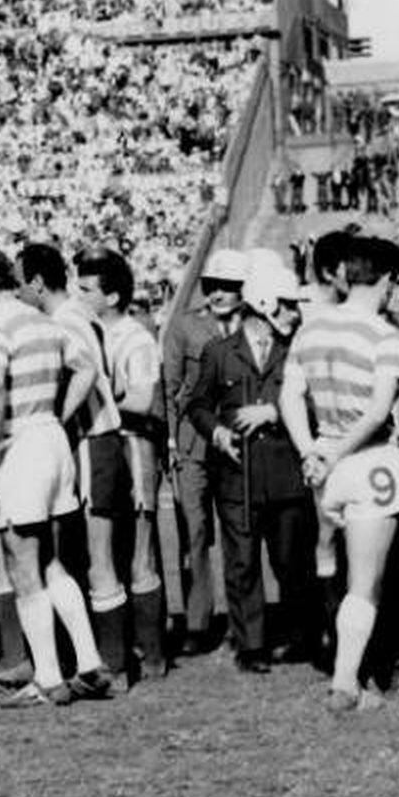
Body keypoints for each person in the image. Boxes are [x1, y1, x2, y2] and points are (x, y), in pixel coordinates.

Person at [0, 246, 113, 707]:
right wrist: (57, 416)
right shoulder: (45, 322)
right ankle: (87, 663)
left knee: (22, 563)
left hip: (22, 445)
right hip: (51, 439)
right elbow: (86, 368)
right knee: (51, 561)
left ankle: (48, 678)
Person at [280, 236, 399, 711]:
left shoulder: (310, 330)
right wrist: (334, 454)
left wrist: (311, 450)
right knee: (367, 582)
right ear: (386, 279)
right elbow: (378, 411)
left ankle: (342, 664)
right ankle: (346, 682)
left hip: (326, 457)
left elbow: (289, 398)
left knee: (333, 565)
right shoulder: (386, 335)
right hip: (368, 458)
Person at [189, 255, 313, 674]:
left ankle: (301, 635)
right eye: (286, 304)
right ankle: (253, 645)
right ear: (262, 303)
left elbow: (312, 401)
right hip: (237, 475)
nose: (294, 314)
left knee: (292, 560)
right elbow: (198, 405)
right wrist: (217, 433)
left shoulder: (297, 351)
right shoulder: (219, 353)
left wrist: (274, 412)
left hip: (286, 474)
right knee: (241, 563)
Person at [77, 247, 170, 685]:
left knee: (139, 554)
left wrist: (96, 398)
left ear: (112, 296)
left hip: (133, 445)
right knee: (103, 552)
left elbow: (141, 398)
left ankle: (151, 655)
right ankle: (116, 654)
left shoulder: (135, 336)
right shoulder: (86, 330)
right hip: (99, 448)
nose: (79, 294)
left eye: (87, 288)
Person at [162, 248, 247, 654]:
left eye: (228, 287)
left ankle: (242, 620)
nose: (219, 294)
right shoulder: (184, 326)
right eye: (214, 286)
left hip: (236, 440)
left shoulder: (251, 326)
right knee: (194, 531)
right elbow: (169, 386)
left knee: (238, 532)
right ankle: (197, 623)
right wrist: (172, 440)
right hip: (193, 441)